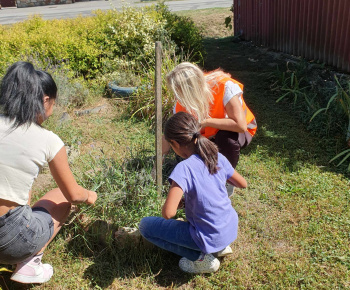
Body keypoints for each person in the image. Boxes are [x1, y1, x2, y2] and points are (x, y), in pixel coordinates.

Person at [0, 61, 97, 284]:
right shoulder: (48, 140)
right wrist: (91, 196)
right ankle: (30, 263)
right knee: (61, 195)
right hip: (11, 240)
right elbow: (73, 194)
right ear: (45, 100)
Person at [139, 112, 247, 274]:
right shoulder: (216, 156)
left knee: (145, 225)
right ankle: (219, 247)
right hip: (229, 228)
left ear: (174, 143)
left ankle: (201, 259)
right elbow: (242, 183)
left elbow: (168, 213)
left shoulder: (183, 168)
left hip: (208, 235)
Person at [163, 62, 257, 171]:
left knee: (225, 137)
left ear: (189, 88)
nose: (177, 96)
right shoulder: (180, 103)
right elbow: (171, 133)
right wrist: (160, 159)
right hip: (208, 134)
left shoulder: (224, 86)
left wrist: (207, 122)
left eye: (179, 91)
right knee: (183, 134)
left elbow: (240, 126)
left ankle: (226, 176)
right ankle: (199, 170)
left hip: (240, 131)